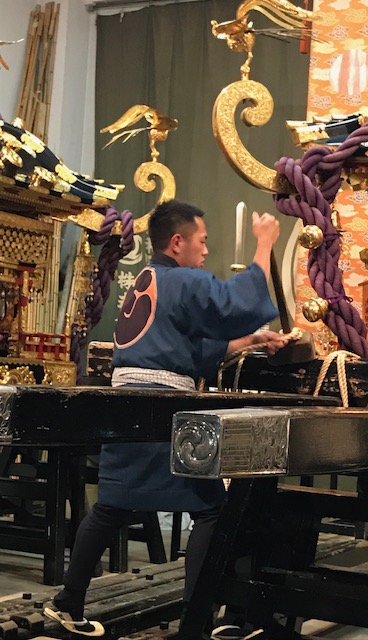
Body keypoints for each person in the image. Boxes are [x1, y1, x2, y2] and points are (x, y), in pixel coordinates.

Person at [44, 199, 288, 636]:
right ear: (177, 242)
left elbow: (186, 347)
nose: (204, 251)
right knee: (212, 508)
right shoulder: (183, 280)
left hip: (126, 403)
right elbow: (235, 302)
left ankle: (68, 603)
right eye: (202, 241)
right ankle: (196, 623)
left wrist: (251, 338)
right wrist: (264, 244)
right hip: (163, 408)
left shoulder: (148, 279)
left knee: (112, 507)